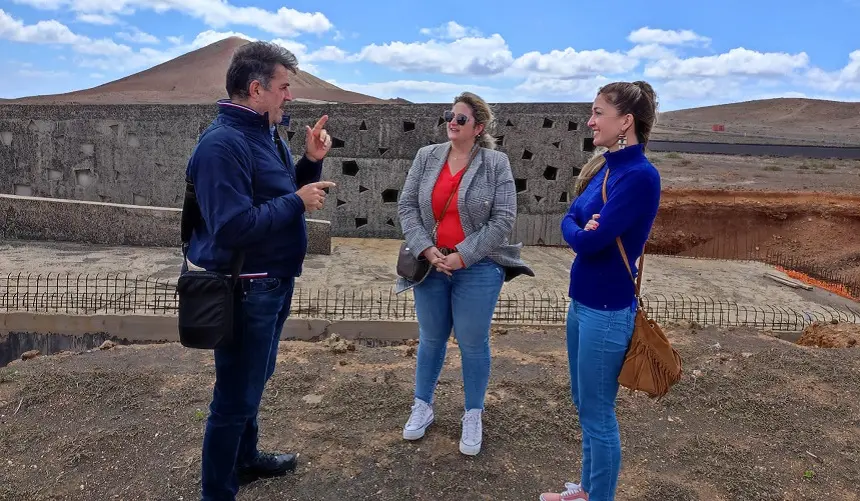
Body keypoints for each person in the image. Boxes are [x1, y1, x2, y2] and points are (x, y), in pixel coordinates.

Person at [183, 41, 335, 500]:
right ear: (256, 89)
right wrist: (297, 200)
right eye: (284, 87)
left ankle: (245, 461)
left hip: (272, 281)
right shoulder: (221, 145)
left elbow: (281, 195)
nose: (290, 97)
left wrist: (308, 162)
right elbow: (230, 227)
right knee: (234, 397)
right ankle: (217, 492)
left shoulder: (265, 132)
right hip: (245, 289)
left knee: (255, 379)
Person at [540, 81, 661, 501]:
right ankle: (587, 490)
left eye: (598, 113)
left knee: (598, 414)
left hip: (607, 310)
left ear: (625, 121)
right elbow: (570, 217)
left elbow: (591, 240)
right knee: (584, 402)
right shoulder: (607, 167)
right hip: (583, 302)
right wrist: (579, 226)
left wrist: (581, 229)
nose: (590, 121)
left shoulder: (640, 176)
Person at [397, 91, 534, 456]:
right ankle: (422, 406)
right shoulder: (427, 157)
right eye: (449, 115)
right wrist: (427, 248)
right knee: (431, 338)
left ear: (479, 127)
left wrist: (463, 255)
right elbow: (407, 205)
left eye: (460, 118)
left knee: (473, 343)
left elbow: (503, 219)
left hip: (478, 268)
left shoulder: (496, 163)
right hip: (430, 265)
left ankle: (473, 413)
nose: (451, 123)